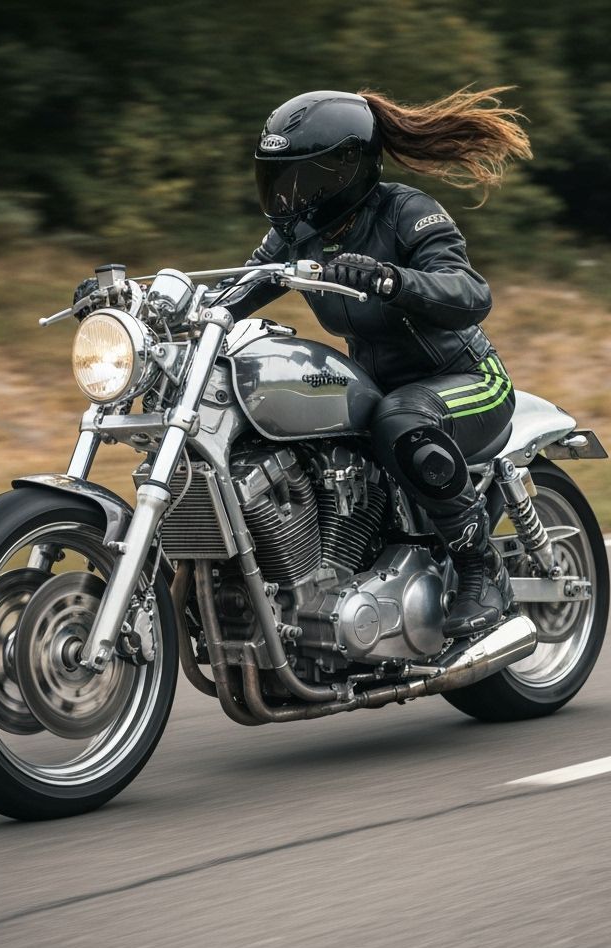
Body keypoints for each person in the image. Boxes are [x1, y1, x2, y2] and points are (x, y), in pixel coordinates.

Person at [225, 87, 531, 637]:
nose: (290, 196)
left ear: (345, 169)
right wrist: (154, 308)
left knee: (401, 419)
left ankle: (480, 571)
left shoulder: (405, 210)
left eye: (304, 179)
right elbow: (236, 291)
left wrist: (392, 280)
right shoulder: (294, 235)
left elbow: (469, 291)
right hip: (376, 385)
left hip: (463, 379)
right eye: (279, 178)